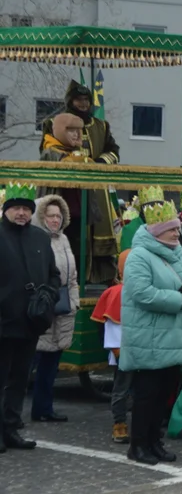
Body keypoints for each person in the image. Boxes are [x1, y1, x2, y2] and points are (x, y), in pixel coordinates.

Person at [120, 200, 182, 465]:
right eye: (171, 229)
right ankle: (138, 445)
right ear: (156, 231)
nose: (177, 233)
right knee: (147, 395)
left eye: (177, 229)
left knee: (164, 394)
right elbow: (142, 294)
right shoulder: (139, 256)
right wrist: (181, 301)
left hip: (175, 337)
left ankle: (155, 441)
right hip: (151, 339)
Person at [40, 82, 120, 284]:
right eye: (79, 100)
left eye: (86, 100)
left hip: (95, 191)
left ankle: (96, 278)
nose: (83, 104)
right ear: (70, 101)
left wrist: (99, 163)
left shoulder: (101, 126)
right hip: (63, 190)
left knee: (95, 233)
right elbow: (47, 152)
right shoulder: (53, 123)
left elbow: (113, 151)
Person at [0, 183, 60, 452]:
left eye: (26, 208)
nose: (21, 213)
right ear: (6, 210)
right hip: (2, 323)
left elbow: (53, 275)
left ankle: (11, 429)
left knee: (19, 381)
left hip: (30, 323)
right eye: (16, 208)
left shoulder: (39, 237)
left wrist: (49, 297)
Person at [29, 194, 80, 423]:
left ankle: (44, 408)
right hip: (42, 308)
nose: (55, 220)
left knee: (51, 364)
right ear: (41, 217)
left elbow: (72, 277)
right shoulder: (35, 239)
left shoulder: (64, 240)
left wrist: (74, 300)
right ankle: (13, 412)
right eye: (50, 216)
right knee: (31, 362)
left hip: (63, 308)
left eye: (59, 216)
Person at [91, 249, 130, 443]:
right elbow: (112, 326)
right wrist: (118, 351)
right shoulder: (116, 293)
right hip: (124, 350)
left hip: (145, 349)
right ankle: (119, 423)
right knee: (121, 388)